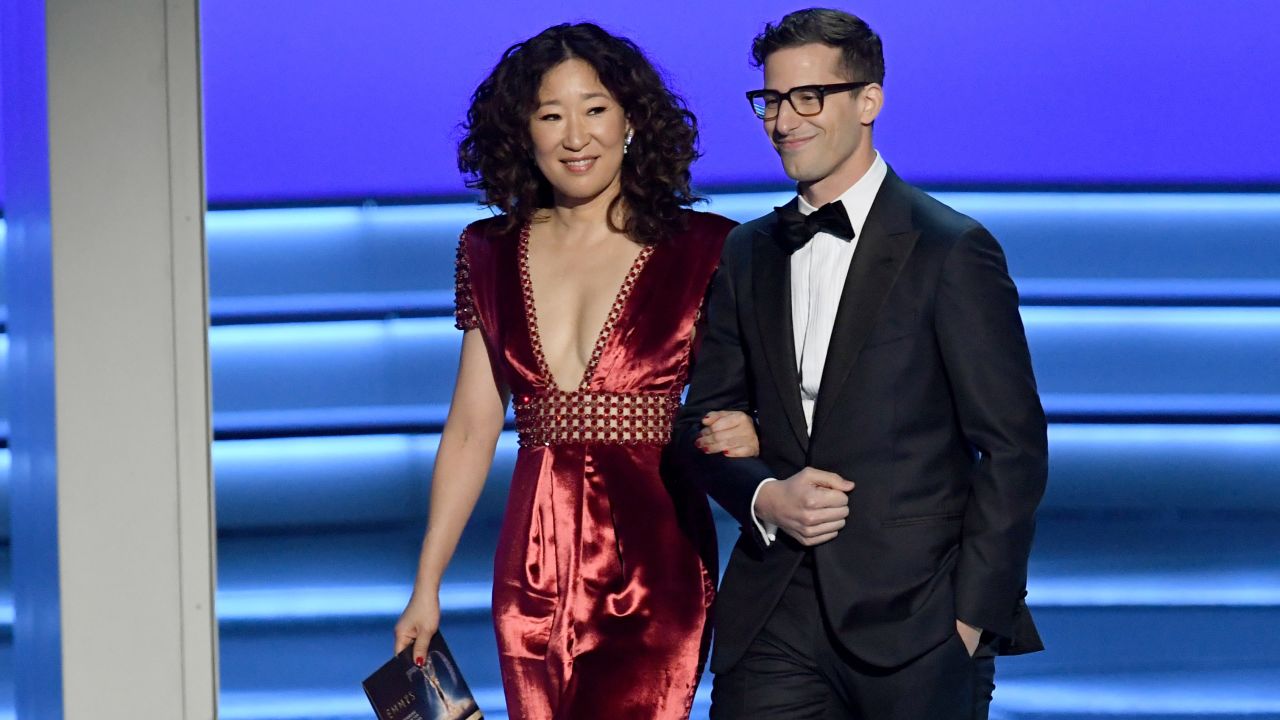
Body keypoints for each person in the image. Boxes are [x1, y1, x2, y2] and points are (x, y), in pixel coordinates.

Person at [672, 8, 1048, 719]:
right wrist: (764, 494)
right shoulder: (747, 251)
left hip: (917, 617)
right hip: (775, 608)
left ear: (869, 99)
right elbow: (701, 419)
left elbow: (1013, 447)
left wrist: (969, 622)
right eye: (772, 100)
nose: (785, 121)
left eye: (809, 97)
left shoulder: (950, 249)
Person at [394, 22, 756, 720]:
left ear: (631, 121)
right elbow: (473, 426)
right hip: (527, 567)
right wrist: (427, 582)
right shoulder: (488, 250)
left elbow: (758, 393)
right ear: (522, 133)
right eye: (550, 115)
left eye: (594, 109)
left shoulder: (707, 248)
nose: (575, 136)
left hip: (658, 557)